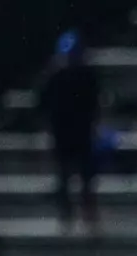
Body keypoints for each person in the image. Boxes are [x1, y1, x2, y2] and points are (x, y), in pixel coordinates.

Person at [39, 31, 100, 229]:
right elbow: (43, 103)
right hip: (63, 132)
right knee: (64, 176)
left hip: (81, 131)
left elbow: (95, 103)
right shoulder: (55, 76)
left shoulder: (87, 75)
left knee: (85, 176)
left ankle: (87, 212)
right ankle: (67, 214)